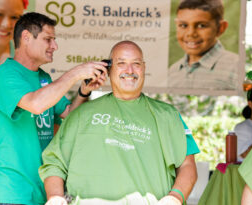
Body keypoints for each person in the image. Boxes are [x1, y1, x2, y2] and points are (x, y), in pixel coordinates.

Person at [39, 40, 200, 205]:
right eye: (121, 63)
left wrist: (175, 197)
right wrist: (55, 197)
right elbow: (54, 162)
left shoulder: (168, 115)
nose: (129, 70)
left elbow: (187, 165)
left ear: (144, 68)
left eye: (136, 64)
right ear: (109, 70)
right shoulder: (81, 114)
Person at [0, 12, 108, 205]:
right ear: (26, 37)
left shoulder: (44, 78)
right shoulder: (6, 75)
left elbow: (69, 116)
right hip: (9, 194)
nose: (54, 46)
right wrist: (75, 73)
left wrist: (83, 91)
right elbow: (35, 104)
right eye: (48, 39)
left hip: (41, 193)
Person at [168, 0, 239, 90]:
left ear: (221, 28)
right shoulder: (173, 71)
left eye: (201, 25)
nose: (190, 33)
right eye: (183, 25)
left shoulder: (236, 67)